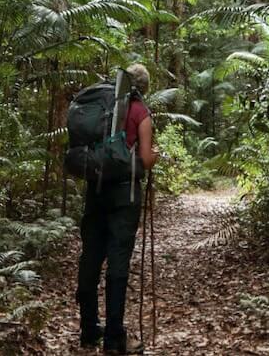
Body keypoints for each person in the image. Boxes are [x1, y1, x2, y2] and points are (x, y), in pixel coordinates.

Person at [75, 63, 159, 353]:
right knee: (118, 261)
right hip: (125, 196)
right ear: (143, 88)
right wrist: (155, 156)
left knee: (91, 257)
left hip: (95, 190)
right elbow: (146, 159)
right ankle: (113, 338)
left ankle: (88, 330)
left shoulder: (102, 107)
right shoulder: (140, 112)